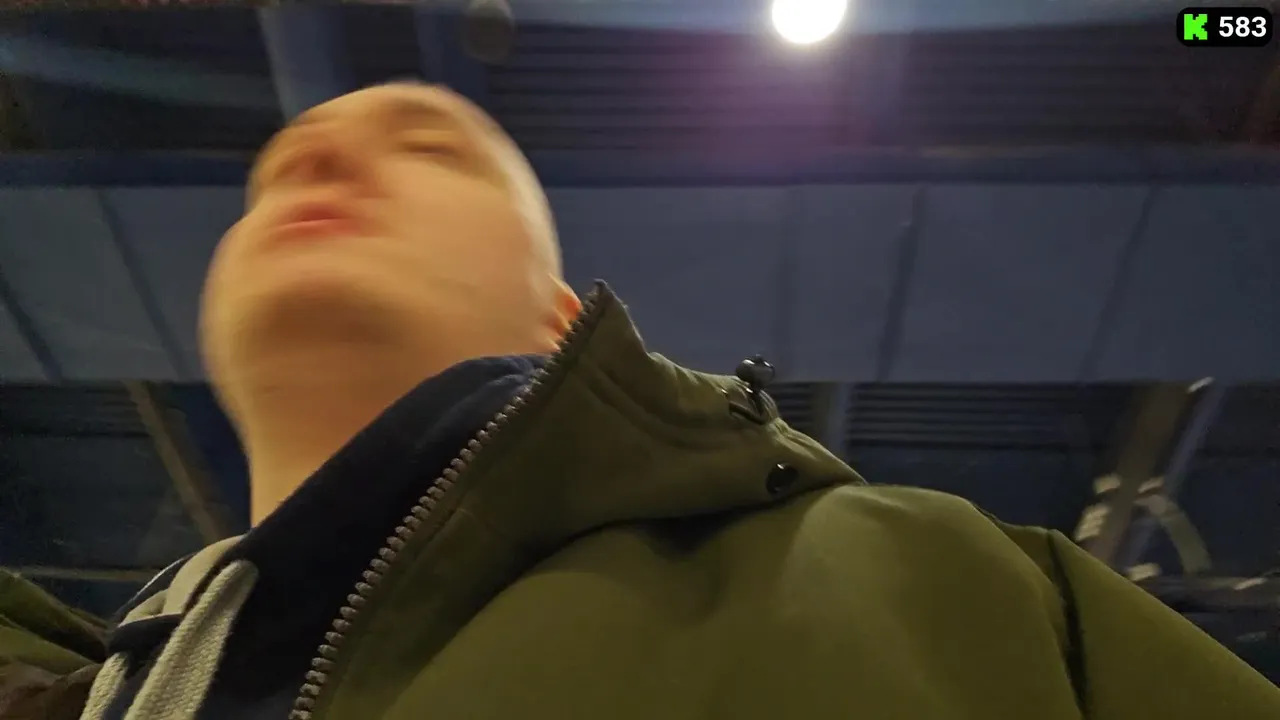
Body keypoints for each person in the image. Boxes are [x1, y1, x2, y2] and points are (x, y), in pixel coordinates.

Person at [1, 82, 1277, 720]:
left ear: (562, 320)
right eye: (276, 171)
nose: (317, 151)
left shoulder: (952, 583)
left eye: (429, 148)